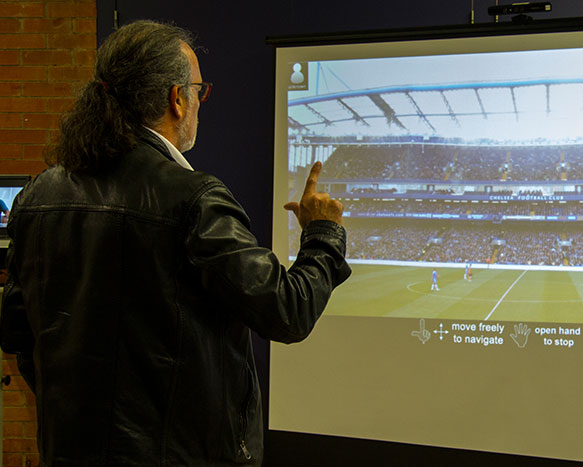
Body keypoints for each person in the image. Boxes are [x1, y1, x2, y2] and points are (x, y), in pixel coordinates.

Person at [0, 21, 351, 467]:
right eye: (199, 91)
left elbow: (18, 333)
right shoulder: (193, 198)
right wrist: (322, 234)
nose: (200, 103)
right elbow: (288, 311)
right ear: (177, 99)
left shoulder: (38, 195)